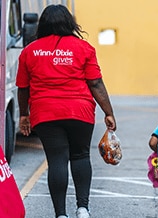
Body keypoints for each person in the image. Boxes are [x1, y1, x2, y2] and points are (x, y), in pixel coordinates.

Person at [16, 5, 116, 218]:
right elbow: (96, 83)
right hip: (80, 111)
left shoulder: (29, 51)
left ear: (43, 24)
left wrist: (24, 114)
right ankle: (83, 209)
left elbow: (23, 88)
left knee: (57, 160)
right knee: (80, 156)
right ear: (69, 23)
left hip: (45, 113)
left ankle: (61, 214)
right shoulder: (83, 48)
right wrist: (108, 112)